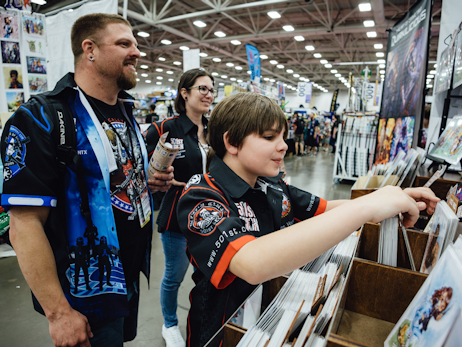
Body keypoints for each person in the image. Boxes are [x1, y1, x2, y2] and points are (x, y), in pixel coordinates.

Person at [176, 92, 439, 347]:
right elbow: (251, 263)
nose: (283, 146)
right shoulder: (200, 197)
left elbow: (325, 209)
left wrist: (395, 198)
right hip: (221, 332)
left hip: (271, 319)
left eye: (283, 136)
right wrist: (368, 208)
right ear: (232, 142)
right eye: (269, 137)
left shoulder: (272, 184)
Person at [1, 13, 173, 347]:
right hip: (84, 291)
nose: (137, 52)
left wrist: (146, 185)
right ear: (89, 49)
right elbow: (23, 225)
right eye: (124, 43)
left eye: (136, 44)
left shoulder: (124, 110)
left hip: (125, 279)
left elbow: (107, 182)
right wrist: (58, 313)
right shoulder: (40, 117)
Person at [145, 68, 215, 347]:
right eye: (202, 88)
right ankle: (170, 324)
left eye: (212, 89)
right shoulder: (166, 128)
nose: (209, 94)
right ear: (184, 93)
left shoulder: (213, 129)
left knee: (207, 273)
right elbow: (144, 172)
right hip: (177, 215)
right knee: (174, 275)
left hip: (211, 216)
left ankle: (206, 316)